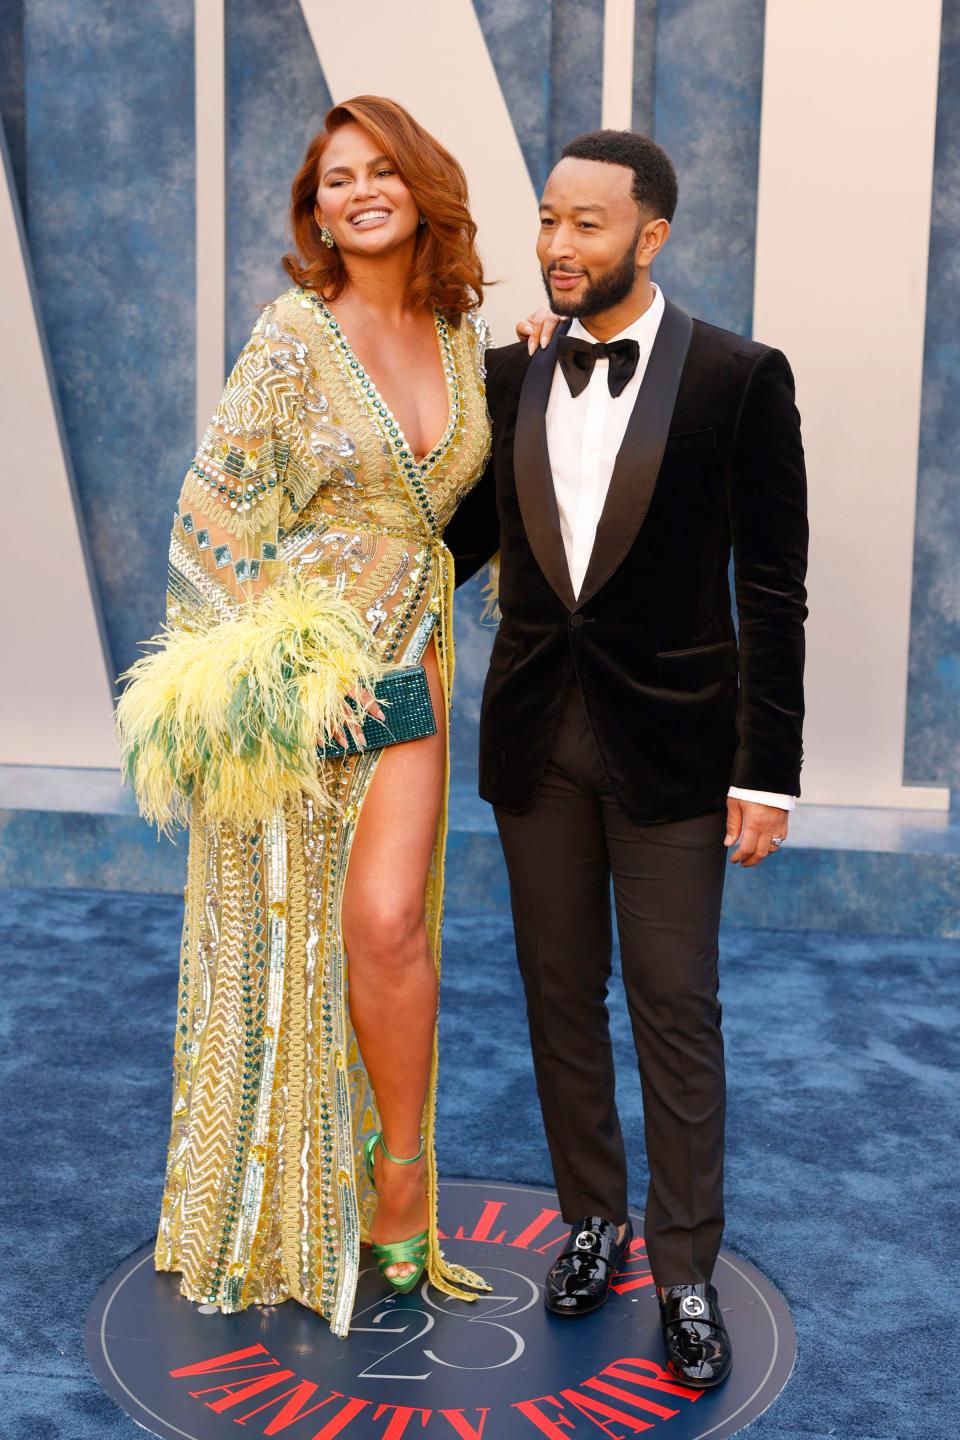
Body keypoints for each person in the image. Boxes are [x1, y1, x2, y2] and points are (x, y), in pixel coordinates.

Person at [116, 95, 508, 1338]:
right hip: (303, 685)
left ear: (422, 186)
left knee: (389, 925)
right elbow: (206, 517)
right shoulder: (293, 334)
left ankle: (400, 1182)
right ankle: (271, 1203)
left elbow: (466, 511)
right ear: (317, 212)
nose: (357, 192)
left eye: (380, 169)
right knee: (286, 933)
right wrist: (284, 668)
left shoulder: (459, 333)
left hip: (418, 668)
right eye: (335, 180)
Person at [444, 128, 809, 1387]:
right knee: (557, 999)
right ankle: (591, 1220)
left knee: (674, 1005)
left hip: (678, 749)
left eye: (584, 225)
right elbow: (453, 547)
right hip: (538, 739)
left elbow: (773, 588)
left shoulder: (738, 378)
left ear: (650, 237)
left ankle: (689, 1268)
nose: (554, 246)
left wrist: (766, 771)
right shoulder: (511, 374)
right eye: (546, 219)